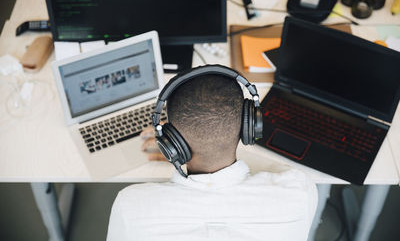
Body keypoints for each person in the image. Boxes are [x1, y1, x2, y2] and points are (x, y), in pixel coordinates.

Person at [107, 70, 318, 241]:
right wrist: (205, 148)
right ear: (249, 129)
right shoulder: (297, 193)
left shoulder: (131, 205)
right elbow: (285, 171)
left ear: (171, 143)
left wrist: (183, 154)